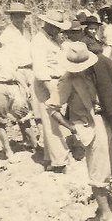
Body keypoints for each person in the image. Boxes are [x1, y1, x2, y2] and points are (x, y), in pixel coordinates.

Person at [47, 42, 112, 221]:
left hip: (107, 120)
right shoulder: (67, 81)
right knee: (98, 169)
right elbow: (52, 107)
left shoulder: (94, 72)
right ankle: (106, 214)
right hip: (89, 127)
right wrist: (71, 127)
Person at [0, 18, 37, 160]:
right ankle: (8, 151)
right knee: (1, 120)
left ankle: (35, 146)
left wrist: (24, 86)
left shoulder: (6, 48)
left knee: (24, 115)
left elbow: (14, 70)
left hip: (13, 85)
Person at [31, 9, 72, 172]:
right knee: (52, 122)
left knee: (52, 121)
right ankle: (60, 162)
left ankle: (50, 158)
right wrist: (52, 91)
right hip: (47, 83)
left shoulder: (52, 40)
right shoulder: (39, 41)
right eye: (55, 27)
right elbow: (41, 69)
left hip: (57, 80)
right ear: (47, 24)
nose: (58, 30)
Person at [76, 15, 112, 125]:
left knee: (110, 88)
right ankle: (111, 114)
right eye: (91, 28)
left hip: (102, 67)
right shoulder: (84, 41)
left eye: (95, 29)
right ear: (86, 28)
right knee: (104, 90)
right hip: (94, 68)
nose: (93, 31)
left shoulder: (95, 39)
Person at [0, 2, 41, 126]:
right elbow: (4, 57)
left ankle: (42, 137)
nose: (19, 19)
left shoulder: (26, 31)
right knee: (22, 104)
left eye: (21, 16)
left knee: (36, 102)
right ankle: (29, 139)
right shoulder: (6, 35)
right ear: (11, 17)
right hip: (17, 71)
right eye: (16, 16)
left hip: (30, 69)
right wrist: (15, 75)